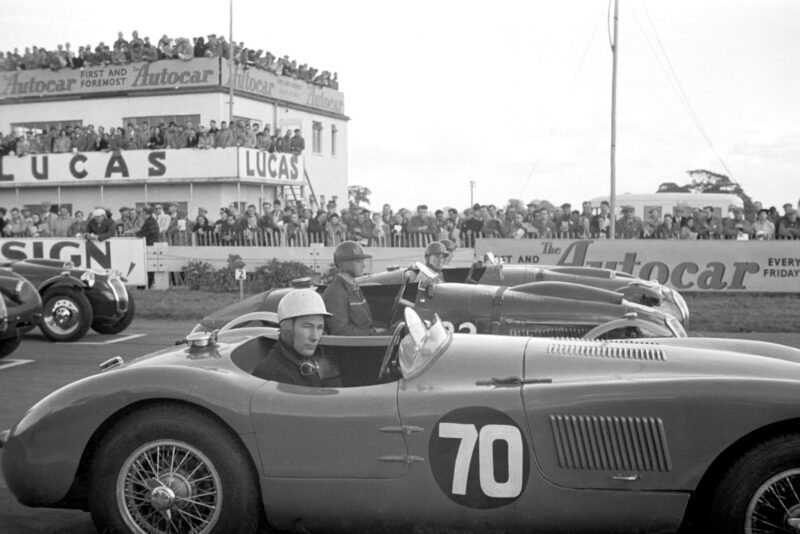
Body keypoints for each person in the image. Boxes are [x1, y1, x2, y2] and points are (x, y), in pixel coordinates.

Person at [252, 289, 341, 387]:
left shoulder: (307, 362)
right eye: (307, 326)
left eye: (320, 327)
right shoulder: (270, 374)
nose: (315, 337)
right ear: (286, 328)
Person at [322, 241, 386, 335]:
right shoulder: (335, 293)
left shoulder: (354, 288)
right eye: (358, 261)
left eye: (363, 261)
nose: (363, 265)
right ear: (341, 264)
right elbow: (341, 331)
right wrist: (373, 333)